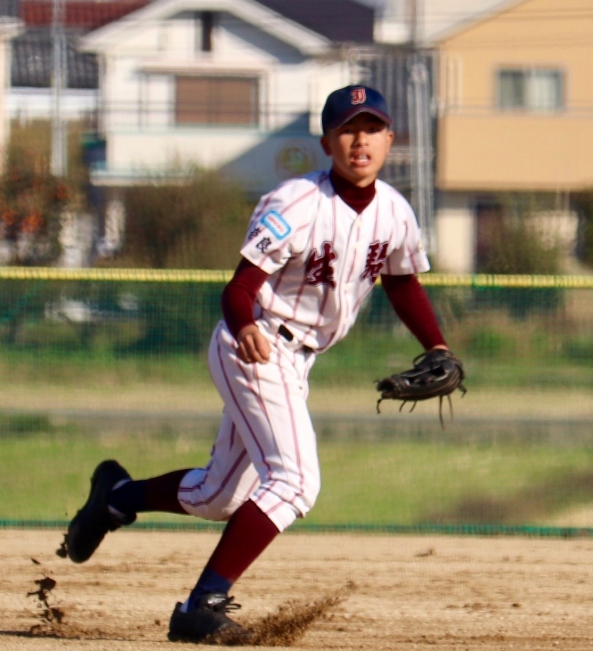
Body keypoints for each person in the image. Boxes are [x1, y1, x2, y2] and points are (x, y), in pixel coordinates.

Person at [64, 85, 453, 643]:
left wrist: (437, 345)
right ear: (327, 142)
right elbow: (240, 287)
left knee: (218, 496)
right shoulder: (294, 202)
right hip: (257, 345)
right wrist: (246, 325)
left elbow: (402, 283)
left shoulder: (395, 212)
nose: (359, 140)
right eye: (347, 129)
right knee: (295, 482)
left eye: (371, 128)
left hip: (300, 360)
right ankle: (201, 604)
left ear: (390, 139)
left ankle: (116, 497)